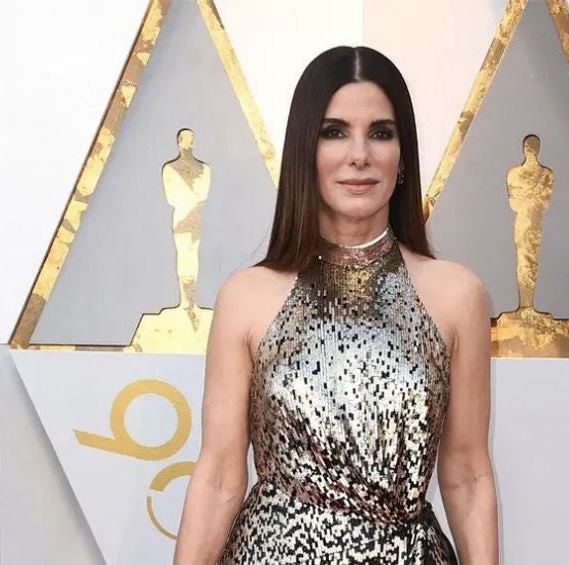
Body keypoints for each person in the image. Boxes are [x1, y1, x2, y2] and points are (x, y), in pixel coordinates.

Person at [173, 46, 498, 564]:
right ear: (306, 150)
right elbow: (218, 477)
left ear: (403, 156)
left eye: (381, 133)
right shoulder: (246, 296)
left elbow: (467, 474)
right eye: (334, 132)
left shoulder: (458, 295)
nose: (359, 154)